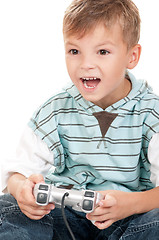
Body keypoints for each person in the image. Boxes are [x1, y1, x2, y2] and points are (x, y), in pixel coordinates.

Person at [1, 0, 159, 239]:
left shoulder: (151, 114)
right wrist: (22, 189)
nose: (86, 64)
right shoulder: (56, 109)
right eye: (75, 51)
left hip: (128, 219)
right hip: (65, 216)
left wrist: (132, 204)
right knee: (8, 208)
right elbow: (17, 173)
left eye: (103, 52)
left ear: (132, 56)